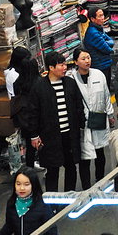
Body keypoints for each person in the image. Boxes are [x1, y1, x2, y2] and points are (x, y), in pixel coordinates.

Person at [27, 52, 84, 192]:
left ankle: (69, 197)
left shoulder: (70, 84)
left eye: (65, 64)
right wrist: (34, 135)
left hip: (69, 135)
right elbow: (33, 113)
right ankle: (52, 202)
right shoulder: (39, 87)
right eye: (61, 65)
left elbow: (79, 106)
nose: (65, 67)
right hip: (50, 137)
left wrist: (81, 125)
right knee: (52, 169)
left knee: (71, 167)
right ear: (51, 68)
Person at [70, 47, 114, 188]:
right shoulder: (71, 79)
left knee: (100, 152)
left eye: (88, 57)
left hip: (98, 118)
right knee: (85, 156)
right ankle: (86, 187)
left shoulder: (98, 75)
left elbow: (106, 95)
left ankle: (100, 181)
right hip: (82, 123)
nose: (87, 61)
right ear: (76, 62)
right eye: (83, 58)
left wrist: (110, 114)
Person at [13, 58, 42, 168]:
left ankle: (30, 169)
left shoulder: (18, 83)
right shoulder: (39, 83)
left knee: (29, 147)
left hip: (24, 120)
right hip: (38, 119)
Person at [82, 7, 114, 90]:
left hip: (104, 64)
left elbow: (111, 41)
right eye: (100, 16)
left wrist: (107, 42)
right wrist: (108, 43)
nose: (103, 18)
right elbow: (108, 49)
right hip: (99, 66)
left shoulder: (99, 29)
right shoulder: (93, 33)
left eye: (103, 15)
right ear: (92, 19)